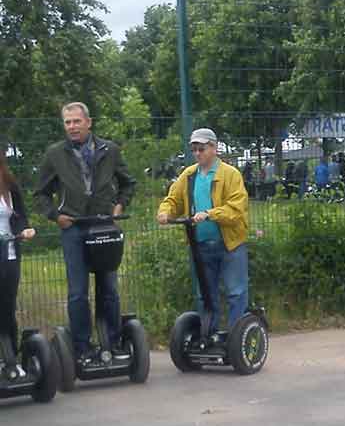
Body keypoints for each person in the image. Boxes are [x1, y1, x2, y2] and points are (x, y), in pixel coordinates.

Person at [35, 101, 136, 362]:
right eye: (67, 122)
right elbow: (41, 195)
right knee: (78, 292)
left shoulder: (109, 150)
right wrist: (56, 217)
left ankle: (112, 343)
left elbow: (128, 183)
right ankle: (82, 348)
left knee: (109, 289)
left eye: (76, 121)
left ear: (88, 123)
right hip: (74, 229)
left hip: (103, 225)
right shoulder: (55, 154)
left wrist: (120, 206)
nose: (72, 127)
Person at [157, 128, 249, 334]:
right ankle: (209, 334)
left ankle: (236, 337)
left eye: (202, 149)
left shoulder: (230, 174)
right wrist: (165, 212)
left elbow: (237, 208)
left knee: (236, 292)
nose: (198, 153)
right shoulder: (188, 175)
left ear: (214, 148)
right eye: (194, 150)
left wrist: (210, 213)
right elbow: (173, 200)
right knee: (204, 295)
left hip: (230, 244)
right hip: (200, 245)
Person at [0, 148, 36, 368]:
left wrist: (25, 229)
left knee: (7, 307)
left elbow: (21, 216)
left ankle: (11, 360)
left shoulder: (8, 184)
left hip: (9, 252)